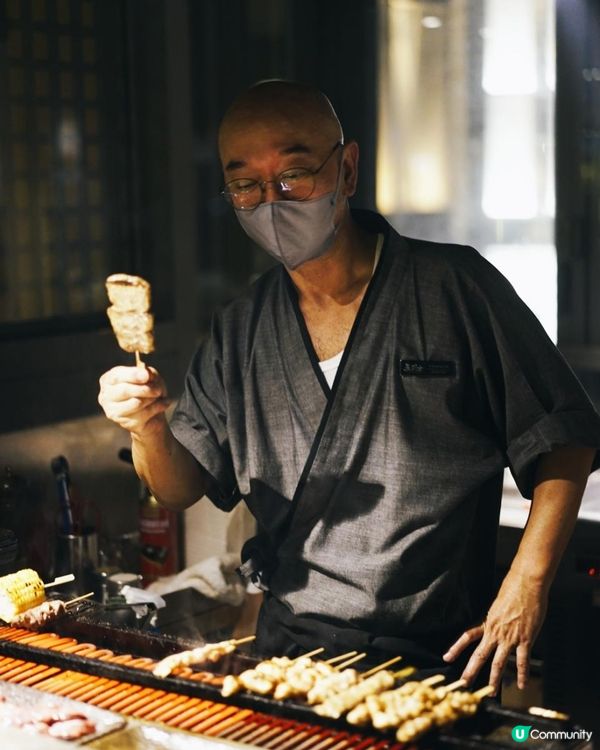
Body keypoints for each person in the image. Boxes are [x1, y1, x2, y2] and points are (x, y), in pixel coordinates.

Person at [99, 80, 600, 694]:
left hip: (436, 654)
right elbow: (178, 486)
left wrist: (526, 584)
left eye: (295, 174)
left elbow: (563, 437)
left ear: (349, 168)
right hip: (290, 656)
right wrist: (146, 425)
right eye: (246, 185)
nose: (272, 201)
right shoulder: (241, 327)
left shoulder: (453, 287)